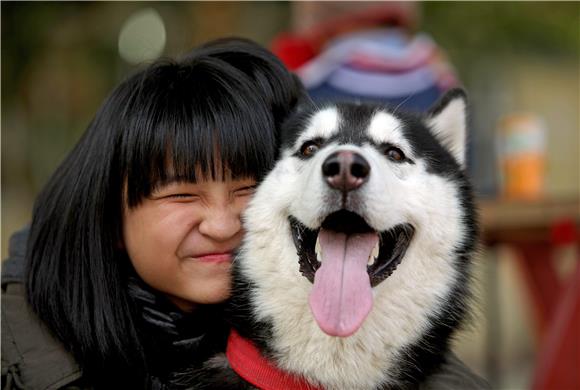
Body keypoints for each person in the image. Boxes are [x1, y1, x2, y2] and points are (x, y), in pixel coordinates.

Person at [1, 37, 306, 389]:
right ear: (111, 219)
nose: (222, 226)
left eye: (248, 190)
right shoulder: (20, 361)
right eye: (182, 195)